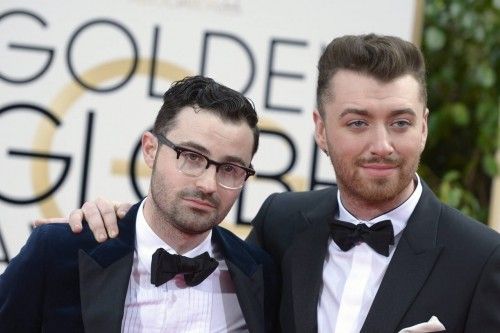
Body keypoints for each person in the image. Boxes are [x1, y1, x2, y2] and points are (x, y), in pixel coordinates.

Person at [37, 34, 500, 332]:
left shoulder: (482, 259)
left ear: (423, 126)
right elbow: (182, 239)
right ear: (321, 129)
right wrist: (113, 222)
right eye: (357, 123)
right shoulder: (283, 223)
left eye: (399, 122)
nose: (381, 145)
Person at [0, 76, 279, 332]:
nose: (208, 184)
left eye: (230, 168)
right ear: (150, 150)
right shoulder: (60, 251)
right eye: (192, 156)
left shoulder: (260, 277)